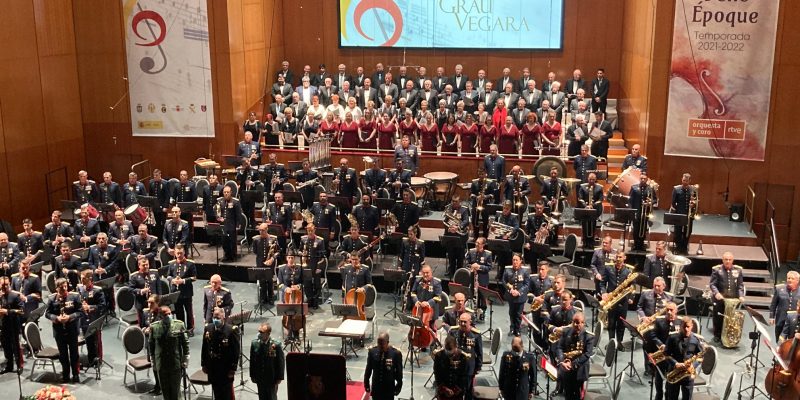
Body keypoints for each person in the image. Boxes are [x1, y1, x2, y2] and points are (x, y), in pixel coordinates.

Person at [46, 277, 83, 383]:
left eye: (66, 287)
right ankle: (66, 374)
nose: (64, 289)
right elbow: (47, 314)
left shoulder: (75, 297)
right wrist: (56, 318)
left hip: (72, 330)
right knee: (63, 355)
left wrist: (69, 317)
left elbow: (80, 312)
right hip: (59, 332)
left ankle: (76, 374)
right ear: (57, 288)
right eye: (62, 288)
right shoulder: (52, 299)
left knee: (74, 354)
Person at [148, 306, 189, 400]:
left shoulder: (179, 325)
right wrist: (153, 360)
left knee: (176, 392)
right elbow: (151, 345)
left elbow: (185, 342)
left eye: (169, 313)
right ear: (160, 316)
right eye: (165, 314)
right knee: (165, 391)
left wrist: (186, 358)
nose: (168, 316)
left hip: (175, 362)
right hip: (161, 364)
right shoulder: (154, 327)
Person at [202, 307, 240, 400]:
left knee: (226, 394)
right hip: (213, 367)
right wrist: (204, 364)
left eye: (218, 318)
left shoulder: (231, 330)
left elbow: (235, 351)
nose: (215, 319)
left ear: (223, 317)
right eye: (214, 317)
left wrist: (233, 368)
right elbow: (205, 347)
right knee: (216, 392)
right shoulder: (208, 328)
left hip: (225, 368)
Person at [644, 301, 679, 400]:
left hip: (673, 357)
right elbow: (653, 336)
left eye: (671, 310)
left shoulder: (680, 322)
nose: (669, 312)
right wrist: (661, 344)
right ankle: (658, 395)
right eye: (667, 310)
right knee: (658, 380)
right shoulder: (659, 321)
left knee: (670, 381)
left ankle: (668, 395)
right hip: (661, 355)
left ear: (676, 311)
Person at [555, 313, 593, 400]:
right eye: (574, 322)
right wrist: (562, 361)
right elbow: (559, 347)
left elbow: (587, 354)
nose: (576, 325)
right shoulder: (566, 331)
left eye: (579, 322)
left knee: (577, 395)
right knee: (567, 393)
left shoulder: (589, 336)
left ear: (583, 323)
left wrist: (571, 364)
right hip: (566, 367)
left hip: (579, 369)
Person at [664, 317, 703, 400]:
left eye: (688, 327)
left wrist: (693, 365)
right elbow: (666, 354)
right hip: (674, 373)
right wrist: (675, 363)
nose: (686, 329)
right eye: (684, 326)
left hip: (687, 374)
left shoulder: (695, 340)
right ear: (680, 326)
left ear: (692, 326)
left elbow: (700, 356)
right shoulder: (672, 338)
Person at [709, 252, 745, 344]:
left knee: (730, 318)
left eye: (729, 259)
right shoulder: (717, 270)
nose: (728, 261)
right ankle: (717, 335)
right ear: (723, 260)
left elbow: (740, 285)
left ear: (732, 260)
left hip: (732, 300)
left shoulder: (738, 270)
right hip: (720, 299)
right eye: (726, 259)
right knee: (718, 317)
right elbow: (712, 284)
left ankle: (728, 335)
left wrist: (741, 295)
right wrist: (716, 293)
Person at [600, 252, 634, 343]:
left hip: (623, 302)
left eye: (620, 257)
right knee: (611, 324)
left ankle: (619, 343)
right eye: (617, 257)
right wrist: (604, 293)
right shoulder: (608, 268)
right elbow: (602, 283)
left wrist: (631, 297)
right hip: (612, 301)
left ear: (624, 258)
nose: (618, 259)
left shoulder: (628, 271)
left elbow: (632, 287)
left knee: (621, 324)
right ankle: (611, 342)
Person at [77, 270, 105, 368]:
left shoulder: (97, 290)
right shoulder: (79, 288)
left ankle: (98, 360)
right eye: (81, 277)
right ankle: (91, 359)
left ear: (89, 278)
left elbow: (102, 306)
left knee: (96, 341)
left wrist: (90, 307)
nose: (81, 280)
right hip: (84, 320)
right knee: (88, 340)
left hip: (94, 320)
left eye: (83, 278)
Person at [364, 332, 403, 400]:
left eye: (382, 344)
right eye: (379, 343)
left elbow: (399, 372)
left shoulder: (395, 354)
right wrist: (366, 383)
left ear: (387, 342)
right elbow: (368, 369)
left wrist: (399, 386)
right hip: (376, 387)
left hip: (389, 388)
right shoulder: (372, 352)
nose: (380, 346)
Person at [250, 323, 284, 400]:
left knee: (271, 397)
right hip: (260, 377)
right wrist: (252, 375)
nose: (259, 334)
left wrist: (280, 377)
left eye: (262, 332)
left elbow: (280, 362)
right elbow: (252, 361)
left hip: (271, 378)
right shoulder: (255, 344)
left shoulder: (276, 345)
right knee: (262, 396)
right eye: (259, 331)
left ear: (268, 333)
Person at [168, 245, 197, 336]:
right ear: (175, 253)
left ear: (184, 252)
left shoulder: (190, 264)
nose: (179, 255)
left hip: (186, 292)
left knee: (189, 311)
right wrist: (172, 280)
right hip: (175, 293)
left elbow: (194, 277)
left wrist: (183, 281)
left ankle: (190, 328)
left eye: (181, 253)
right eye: (177, 253)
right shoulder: (172, 264)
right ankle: (181, 327)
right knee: (178, 311)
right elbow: (168, 275)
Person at [498, 336, 537, 400]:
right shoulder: (506, 355)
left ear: (522, 346)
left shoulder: (529, 357)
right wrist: (501, 388)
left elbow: (533, 375)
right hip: (509, 389)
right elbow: (502, 372)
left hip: (522, 390)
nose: (515, 350)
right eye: (513, 348)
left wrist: (532, 390)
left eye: (517, 347)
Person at [0, 276, 24, 373]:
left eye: (6, 285)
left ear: (9, 284)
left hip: (13, 325)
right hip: (3, 325)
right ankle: (9, 366)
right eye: (2, 285)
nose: (4, 287)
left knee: (16, 346)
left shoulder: (14, 296)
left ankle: (19, 365)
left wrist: (7, 311)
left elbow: (21, 311)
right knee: (6, 346)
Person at [433, 335, 468, 400]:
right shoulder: (439, 355)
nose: (448, 351)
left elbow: (464, 375)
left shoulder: (462, 357)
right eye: (446, 349)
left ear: (456, 347)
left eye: (450, 349)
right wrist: (444, 388)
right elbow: (437, 373)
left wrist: (455, 390)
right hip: (443, 391)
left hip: (457, 392)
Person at [465, 237, 492, 319]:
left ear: (483, 245)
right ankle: (474, 311)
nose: (476, 244)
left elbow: (489, 267)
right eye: (476, 242)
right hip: (473, 277)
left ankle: (483, 312)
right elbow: (467, 263)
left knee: (482, 296)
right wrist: (471, 266)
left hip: (482, 278)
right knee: (473, 294)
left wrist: (479, 266)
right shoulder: (471, 251)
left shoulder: (488, 254)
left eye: (478, 243)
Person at [630, 172, 658, 251]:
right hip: (636, 211)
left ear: (646, 179)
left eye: (644, 179)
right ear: (639, 179)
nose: (642, 180)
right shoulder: (634, 188)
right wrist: (631, 211)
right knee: (636, 229)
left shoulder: (650, 188)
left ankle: (641, 244)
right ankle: (636, 244)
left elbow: (655, 200)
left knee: (643, 228)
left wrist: (650, 203)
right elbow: (630, 200)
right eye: (641, 178)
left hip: (646, 212)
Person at [503, 254, 530, 337]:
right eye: (513, 260)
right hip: (510, 295)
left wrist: (519, 292)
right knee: (511, 313)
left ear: (520, 261)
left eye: (516, 260)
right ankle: (512, 328)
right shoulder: (507, 270)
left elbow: (526, 284)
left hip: (520, 297)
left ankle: (517, 329)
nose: (515, 262)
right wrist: (510, 289)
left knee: (518, 314)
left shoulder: (525, 271)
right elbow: (504, 281)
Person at [299, 223, 325, 308]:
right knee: (307, 283)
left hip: (316, 265)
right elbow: (299, 251)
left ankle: (315, 301)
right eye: (308, 230)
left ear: (314, 230)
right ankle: (309, 299)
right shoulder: (303, 240)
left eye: (311, 230)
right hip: (306, 265)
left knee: (317, 284)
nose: (310, 232)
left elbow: (322, 256)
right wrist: (302, 253)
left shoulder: (320, 241)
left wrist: (318, 267)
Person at [129, 257, 161, 325]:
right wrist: (141, 291)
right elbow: (130, 290)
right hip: (141, 304)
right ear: (139, 265)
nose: (146, 266)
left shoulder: (155, 273)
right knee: (142, 325)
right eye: (144, 265)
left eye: (147, 264)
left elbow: (159, 289)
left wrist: (159, 301)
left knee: (156, 323)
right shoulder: (134, 277)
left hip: (154, 304)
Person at [670, 173, 697, 254]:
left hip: (689, 215)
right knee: (677, 232)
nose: (685, 182)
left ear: (690, 181)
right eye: (683, 180)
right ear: (682, 179)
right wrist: (675, 212)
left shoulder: (693, 189)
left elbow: (696, 201)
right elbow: (673, 202)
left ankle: (684, 248)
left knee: (688, 231)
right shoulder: (676, 189)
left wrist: (693, 205)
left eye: (687, 181)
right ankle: (678, 248)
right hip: (679, 214)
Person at [443, 196, 469, 276]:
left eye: (456, 201)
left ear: (460, 202)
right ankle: (451, 269)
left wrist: (458, 227)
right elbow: (445, 221)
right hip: (450, 235)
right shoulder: (448, 209)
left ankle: (459, 271)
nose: (454, 203)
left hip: (460, 237)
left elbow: (466, 221)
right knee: (451, 254)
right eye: (453, 201)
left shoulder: (464, 210)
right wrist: (449, 228)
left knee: (460, 256)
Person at [771, 271, 800, 340]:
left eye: (792, 278)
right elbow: (773, 304)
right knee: (779, 338)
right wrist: (771, 317)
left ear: (797, 280)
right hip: (781, 318)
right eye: (788, 278)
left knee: (791, 340)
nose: (789, 280)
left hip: (794, 320)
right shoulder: (779, 289)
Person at [253, 224, 278, 305]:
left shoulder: (273, 239)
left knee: (270, 280)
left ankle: (270, 297)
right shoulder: (256, 240)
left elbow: (278, 251)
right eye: (260, 230)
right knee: (262, 280)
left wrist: (272, 258)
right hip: (260, 263)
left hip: (270, 263)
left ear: (267, 229)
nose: (261, 232)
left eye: (263, 230)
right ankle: (263, 298)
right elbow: (255, 251)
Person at [577, 172, 603, 248]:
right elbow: (580, 198)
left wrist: (592, 205)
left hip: (595, 210)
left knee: (593, 225)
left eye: (593, 179)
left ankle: (591, 241)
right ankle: (585, 241)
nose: (591, 181)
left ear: (595, 180)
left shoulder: (599, 188)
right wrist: (586, 206)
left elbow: (600, 199)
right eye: (590, 179)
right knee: (584, 225)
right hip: (585, 209)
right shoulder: (582, 187)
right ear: (588, 179)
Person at [216, 186, 243, 262]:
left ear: (231, 192)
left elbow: (238, 215)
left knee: (232, 242)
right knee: (224, 241)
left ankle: (233, 256)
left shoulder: (235, 201)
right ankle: (226, 255)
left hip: (232, 225)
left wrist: (238, 225)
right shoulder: (220, 201)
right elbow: (217, 211)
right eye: (225, 192)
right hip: (223, 225)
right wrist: (218, 217)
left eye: (228, 192)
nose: (226, 194)